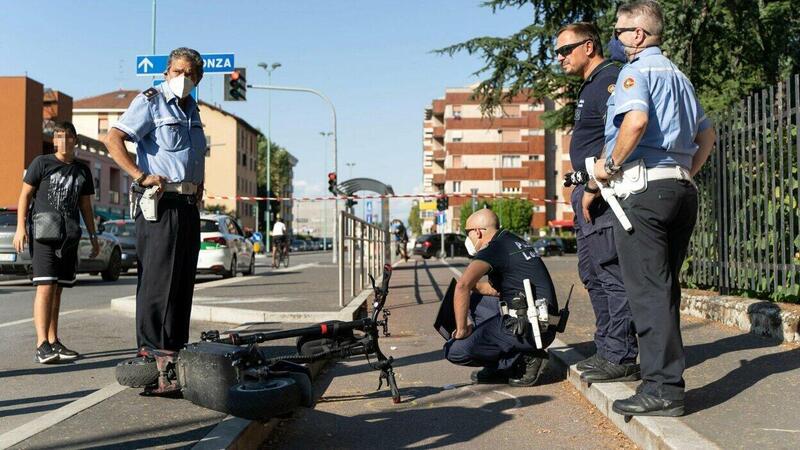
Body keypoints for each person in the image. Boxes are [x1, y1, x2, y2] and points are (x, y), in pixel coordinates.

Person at [592, 1, 716, 417]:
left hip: (644, 193)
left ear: (639, 35)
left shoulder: (636, 71)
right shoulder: (680, 77)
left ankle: (662, 389)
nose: (617, 37)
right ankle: (665, 383)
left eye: (621, 30)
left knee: (648, 293)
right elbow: (707, 134)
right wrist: (682, 171)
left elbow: (636, 122)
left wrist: (608, 168)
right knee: (665, 290)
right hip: (680, 190)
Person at [104, 47, 207, 352]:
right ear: (166, 73)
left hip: (188, 205)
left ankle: (174, 351)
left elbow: (192, 155)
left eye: (190, 74)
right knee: (158, 283)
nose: (183, 78)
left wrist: (199, 184)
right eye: (178, 72)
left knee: (182, 283)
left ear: (198, 78)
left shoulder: (193, 110)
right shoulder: (152, 101)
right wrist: (139, 175)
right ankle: (151, 353)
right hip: (161, 205)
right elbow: (113, 138)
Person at [555, 22, 639, 383]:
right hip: (587, 190)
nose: (559, 58)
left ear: (588, 46)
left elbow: (617, 131)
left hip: (602, 191)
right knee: (592, 274)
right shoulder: (591, 84)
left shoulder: (611, 77)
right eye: (557, 52)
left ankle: (621, 354)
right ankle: (607, 349)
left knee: (609, 272)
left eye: (565, 50)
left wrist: (593, 180)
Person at [13, 121, 100, 363]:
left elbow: (85, 206)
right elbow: (24, 195)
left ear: (75, 140)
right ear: (54, 141)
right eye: (58, 136)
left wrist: (93, 237)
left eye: (67, 136)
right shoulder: (41, 163)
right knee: (46, 286)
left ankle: (53, 340)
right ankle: (41, 344)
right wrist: (21, 228)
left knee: (58, 289)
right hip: (43, 233)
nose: (62, 141)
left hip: (69, 236)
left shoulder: (83, 171)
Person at [444, 209, 558, 387]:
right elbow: (495, 290)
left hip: (529, 328)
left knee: (454, 350)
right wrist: (471, 287)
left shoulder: (493, 248)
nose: (469, 239)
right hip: (542, 323)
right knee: (475, 300)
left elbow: (462, 286)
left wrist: (461, 330)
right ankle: (503, 363)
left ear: (478, 232)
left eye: (468, 233)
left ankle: (525, 357)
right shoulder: (512, 241)